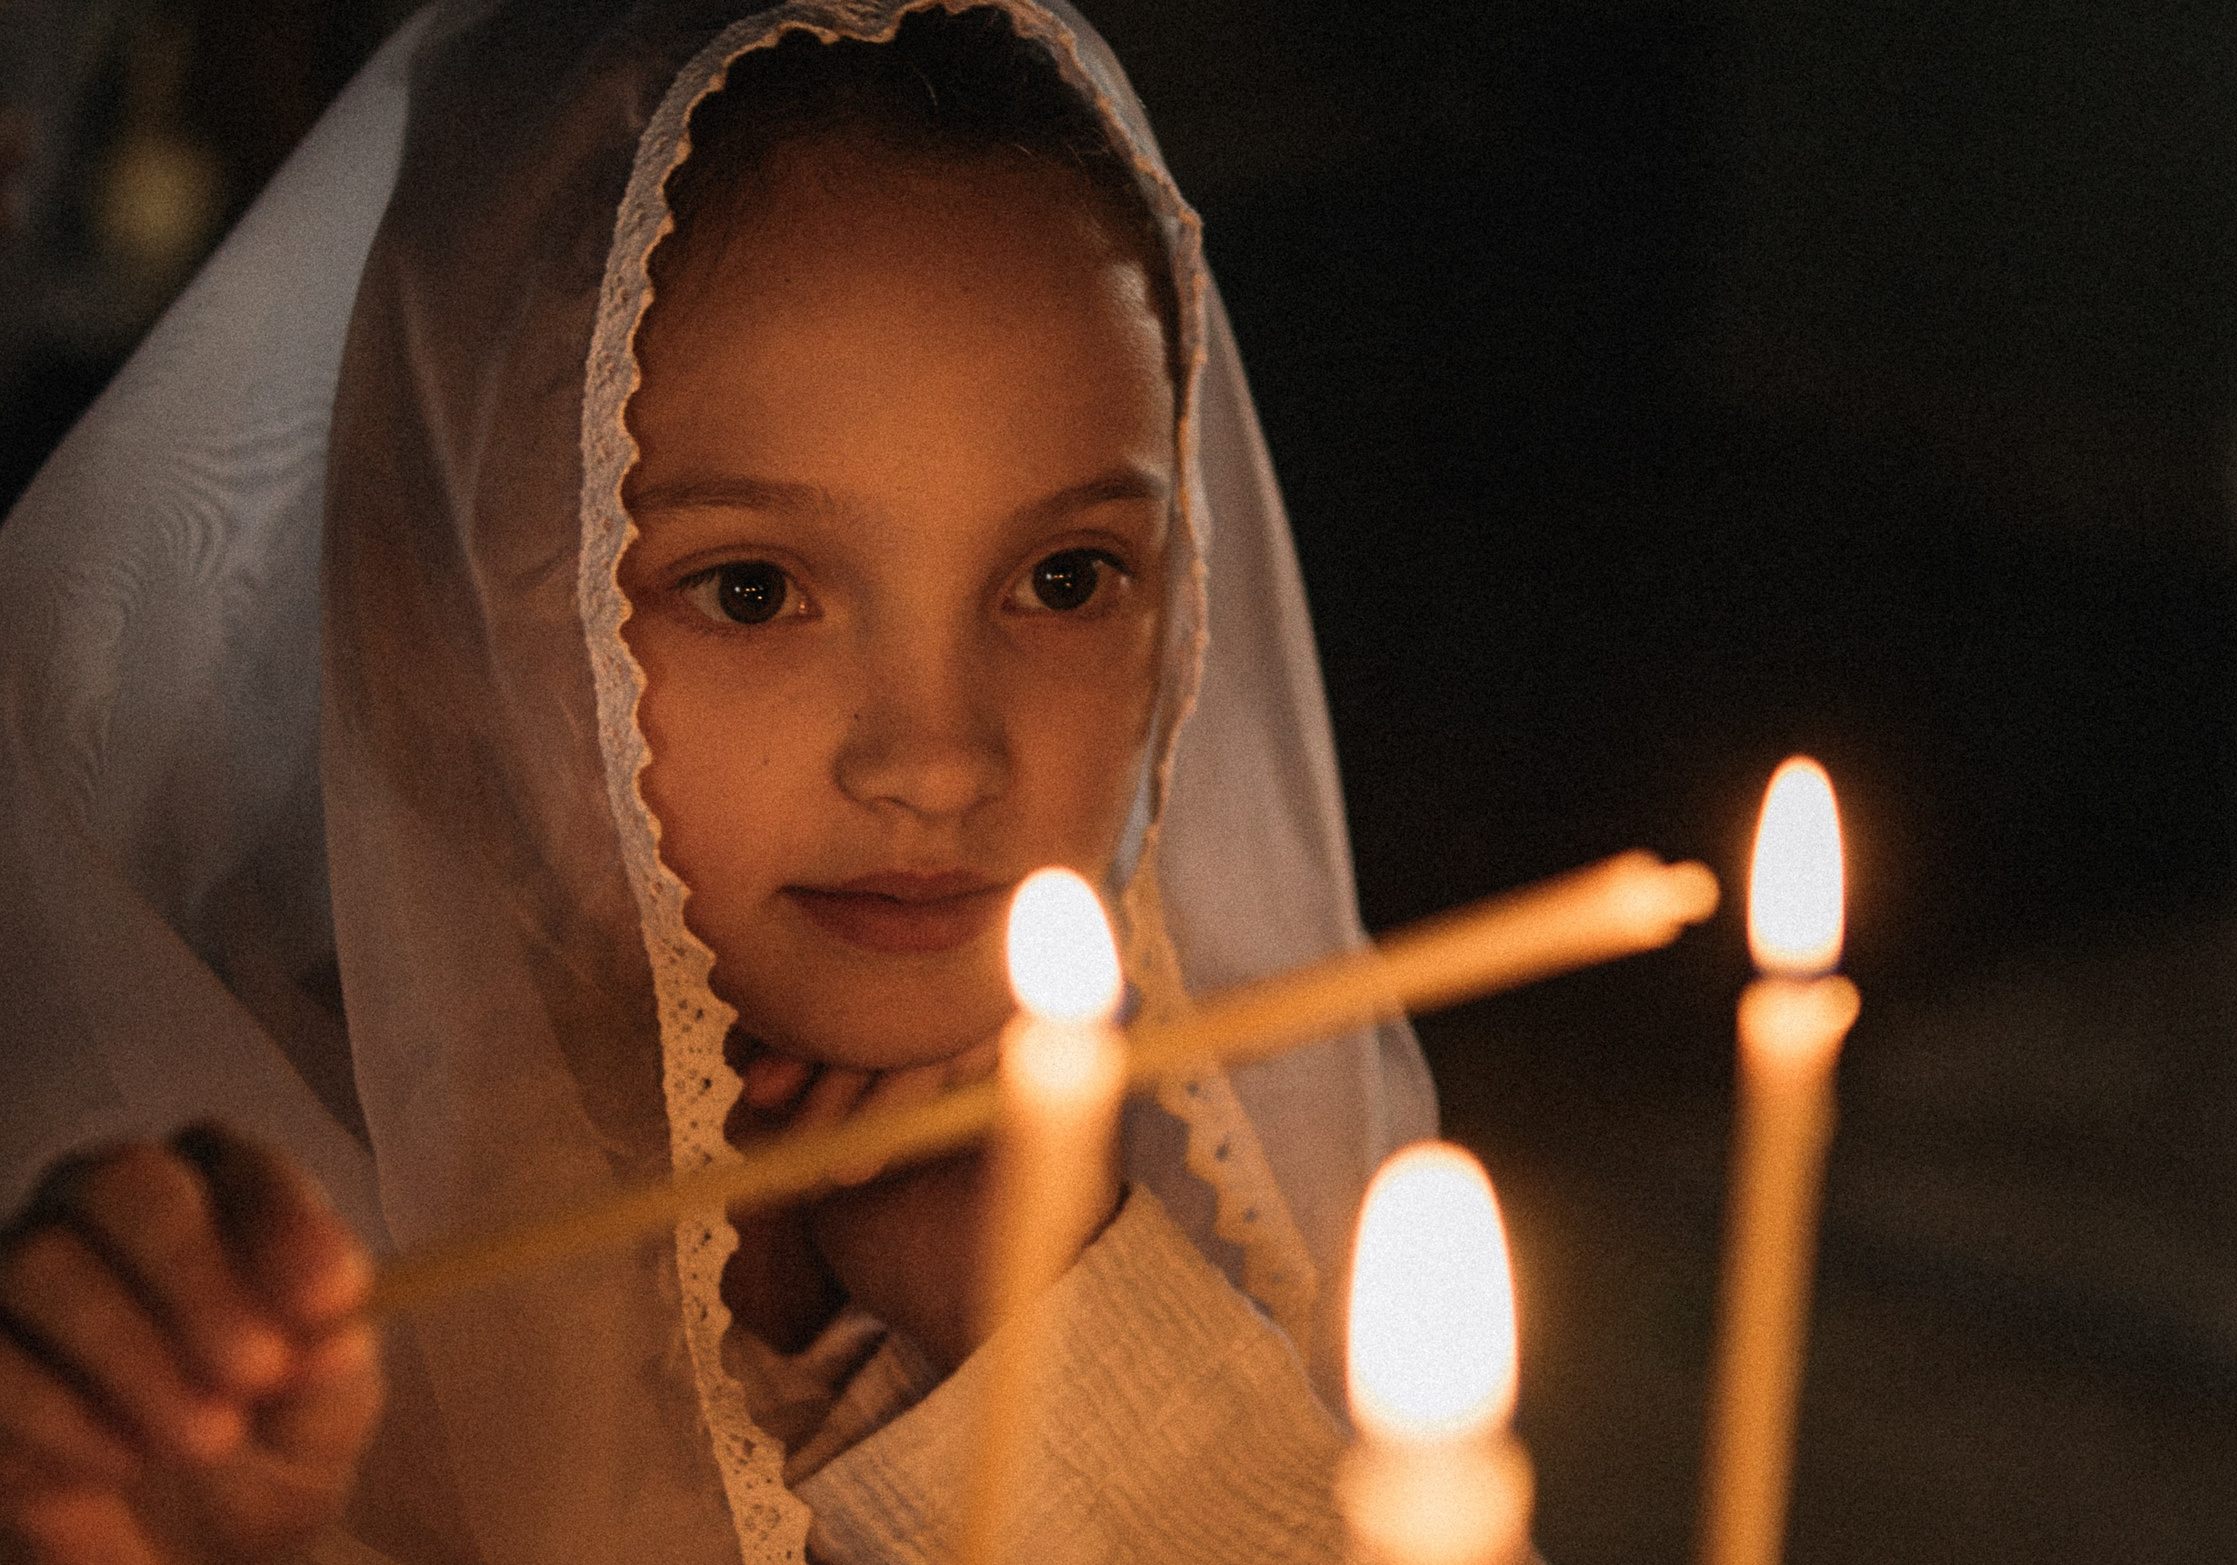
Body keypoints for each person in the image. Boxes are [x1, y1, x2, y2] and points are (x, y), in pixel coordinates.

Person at [0, 5, 1436, 1563]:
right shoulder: (212, 1297)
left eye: (1070, 574)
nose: (941, 761)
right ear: (441, 618)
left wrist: (1054, 1316)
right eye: (750, 590)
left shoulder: (1221, 1175)